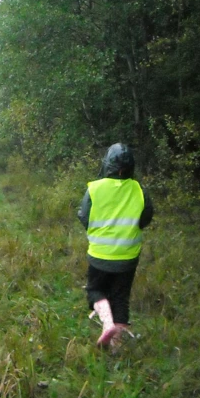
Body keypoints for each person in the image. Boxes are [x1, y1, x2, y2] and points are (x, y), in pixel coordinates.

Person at [77, 143, 154, 347]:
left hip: (99, 254)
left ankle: (107, 323)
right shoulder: (139, 190)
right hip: (128, 257)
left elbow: (84, 216)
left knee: (95, 291)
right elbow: (146, 218)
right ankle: (116, 348)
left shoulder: (95, 188)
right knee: (121, 297)